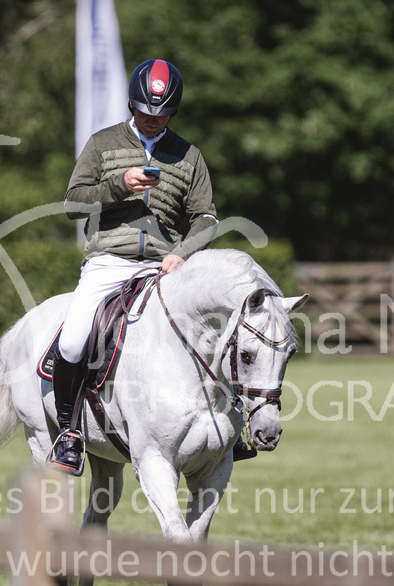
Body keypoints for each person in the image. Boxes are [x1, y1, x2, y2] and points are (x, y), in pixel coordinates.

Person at [50, 58, 253, 476]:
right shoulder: (102, 144)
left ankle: (236, 427)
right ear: (131, 103)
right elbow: (72, 203)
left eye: (163, 115)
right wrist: (119, 185)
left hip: (166, 265)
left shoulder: (189, 155)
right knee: (72, 341)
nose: (154, 121)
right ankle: (68, 434)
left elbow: (206, 218)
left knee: (219, 329)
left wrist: (184, 252)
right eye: (146, 113)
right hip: (109, 261)